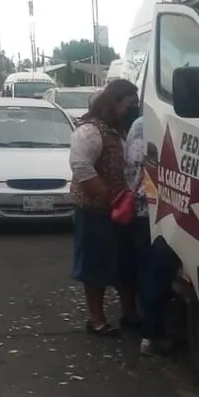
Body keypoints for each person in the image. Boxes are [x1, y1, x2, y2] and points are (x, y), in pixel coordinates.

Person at [68, 78, 141, 336]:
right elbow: (81, 167)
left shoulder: (121, 129)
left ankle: (130, 314)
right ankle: (96, 319)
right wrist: (108, 195)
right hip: (95, 209)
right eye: (129, 104)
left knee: (125, 264)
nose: (132, 109)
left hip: (123, 209)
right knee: (95, 266)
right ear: (114, 103)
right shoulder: (90, 130)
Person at [123, 113, 180, 356]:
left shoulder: (140, 123)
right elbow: (139, 166)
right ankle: (151, 334)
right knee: (154, 273)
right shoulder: (149, 124)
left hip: (149, 211)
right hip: (151, 211)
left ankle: (151, 329)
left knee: (149, 271)